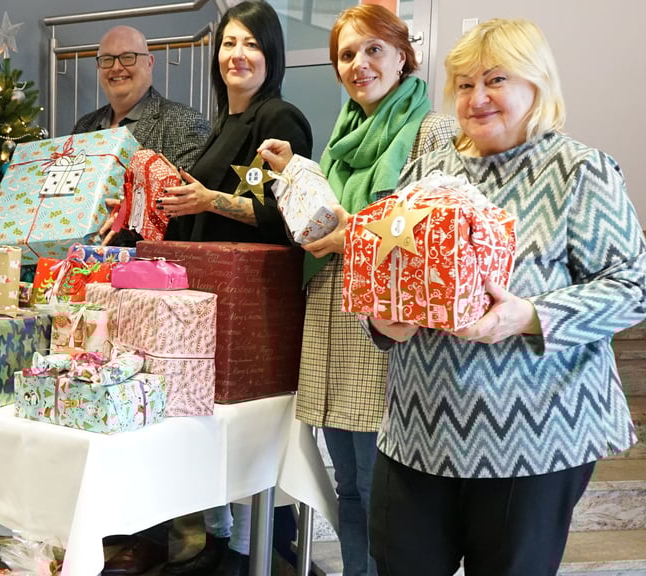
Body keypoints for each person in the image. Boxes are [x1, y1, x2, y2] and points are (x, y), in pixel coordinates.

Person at [366, 19, 645, 576]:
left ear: (537, 85)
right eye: (464, 84)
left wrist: (530, 315)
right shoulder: (427, 170)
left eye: (495, 79)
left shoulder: (579, 170)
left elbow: (632, 288)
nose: (477, 97)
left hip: (533, 436)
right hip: (418, 430)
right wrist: (384, 322)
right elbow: (393, 279)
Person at [258, 5, 457, 575]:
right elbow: (329, 217)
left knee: (381, 497)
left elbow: (436, 237)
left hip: (386, 339)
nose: (359, 64)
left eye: (373, 49)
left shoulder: (431, 129)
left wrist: (354, 239)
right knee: (348, 491)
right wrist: (297, 173)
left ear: (402, 55)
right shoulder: (342, 138)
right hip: (331, 330)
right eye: (347, 54)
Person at [159, 3, 313, 576]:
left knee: (244, 432)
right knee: (208, 424)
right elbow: (201, 209)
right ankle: (221, 543)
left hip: (252, 305)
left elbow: (284, 218)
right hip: (206, 300)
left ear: (270, 54)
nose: (237, 55)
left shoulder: (282, 120)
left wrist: (208, 200)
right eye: (228, 43)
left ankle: (255, 550)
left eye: (250, 43)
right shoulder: (221, 123)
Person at [73, 25, 210, 171]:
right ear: (98, 67)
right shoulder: (84, 126)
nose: (116, 67)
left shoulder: (186, 123)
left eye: (127, 57)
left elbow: (191, 190)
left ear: (149, 62)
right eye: (107, 59)